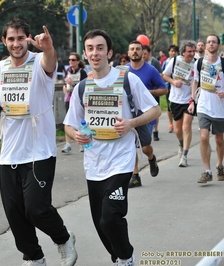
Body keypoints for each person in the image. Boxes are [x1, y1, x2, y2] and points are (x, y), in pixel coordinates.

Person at [0, 18, 77, 266]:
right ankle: (34, 257)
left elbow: (49, 62)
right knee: (14, 213)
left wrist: (49, 49)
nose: (16, 43)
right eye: (11, 38)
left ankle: (63, 239)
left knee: (36, 208)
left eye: (21, 38)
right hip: (10, 153)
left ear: (28, 39)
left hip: (39, 152)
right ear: (4, 41)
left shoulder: (38, 62)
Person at [64, 29, 161, 266]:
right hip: (94, 163)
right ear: (85, 53)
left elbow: (155, 110)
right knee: (99, 221)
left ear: (109, 53)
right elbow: (69, 124)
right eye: (90, 48)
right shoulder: (82, 88)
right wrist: (76, 135)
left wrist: (130, 123)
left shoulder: (127, 79)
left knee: (110, 218)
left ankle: (126, 257)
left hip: (121, 160)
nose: (95, 53)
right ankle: (118, 257)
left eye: (99, 48)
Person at [128, 40, 167, 188]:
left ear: (143, 52)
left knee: (145, 147)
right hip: (128, 114)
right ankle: (135, 176)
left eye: (138, 49)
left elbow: (164, 89)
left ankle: (151, 158)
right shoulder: (123, 71)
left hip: (144, 114)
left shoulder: (151, 70)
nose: (135, 51)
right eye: (132, 49)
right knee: (131, 146)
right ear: (128, 52)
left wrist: (147, 93)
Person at [188, 34, 224, 183]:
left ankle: (220, 166)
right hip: (203, 104)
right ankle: (207, 171)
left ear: (218, 45)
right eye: (208, 42)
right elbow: (195, 82)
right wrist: (192, 101)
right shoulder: (199, 63)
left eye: (213, 42)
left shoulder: (223, 63)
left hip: (220, 106)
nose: (210, 44)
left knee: (219, 139)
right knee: (203, 137)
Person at [162, 41, 196, 167]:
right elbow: (164, 75)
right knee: (178, 130)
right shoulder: (175, 61)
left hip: (189, 100)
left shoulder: (196, 62)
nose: (192, 54)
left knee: (186, 126)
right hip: (175, 99)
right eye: (189, 52)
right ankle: (181, 144)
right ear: (183, 52)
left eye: (193, 51)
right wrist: (173, 82)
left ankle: (185, 156)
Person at [61, 52, 87, 154]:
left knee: (81, 121)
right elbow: (65, 83)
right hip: (69, 98)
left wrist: (73, 84)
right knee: (68, 122)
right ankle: (68, 144)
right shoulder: (67, 71)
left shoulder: (82, 72)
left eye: (73, 60)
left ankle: (82, 142)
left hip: (79, 100)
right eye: (69, 60)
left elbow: (84, 87)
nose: (71, 62)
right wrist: (64, 87)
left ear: (78, 61)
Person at [142, 45, 163, 141]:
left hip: (153, 92)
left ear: (149, 53)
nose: (143, 56)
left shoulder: (154, 63)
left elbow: (161, 75)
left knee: (155, 112)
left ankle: (155, 130)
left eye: (145, 54)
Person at [162, 45, 179, 133]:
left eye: (175, 51)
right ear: (169, 52)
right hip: (168, 87)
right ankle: (171, 123)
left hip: (177, 87)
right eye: (171, 51)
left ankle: (178, 124)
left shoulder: (179, 61)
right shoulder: (166, 62)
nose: (173, 53)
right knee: (169, 107)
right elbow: (163, 74)